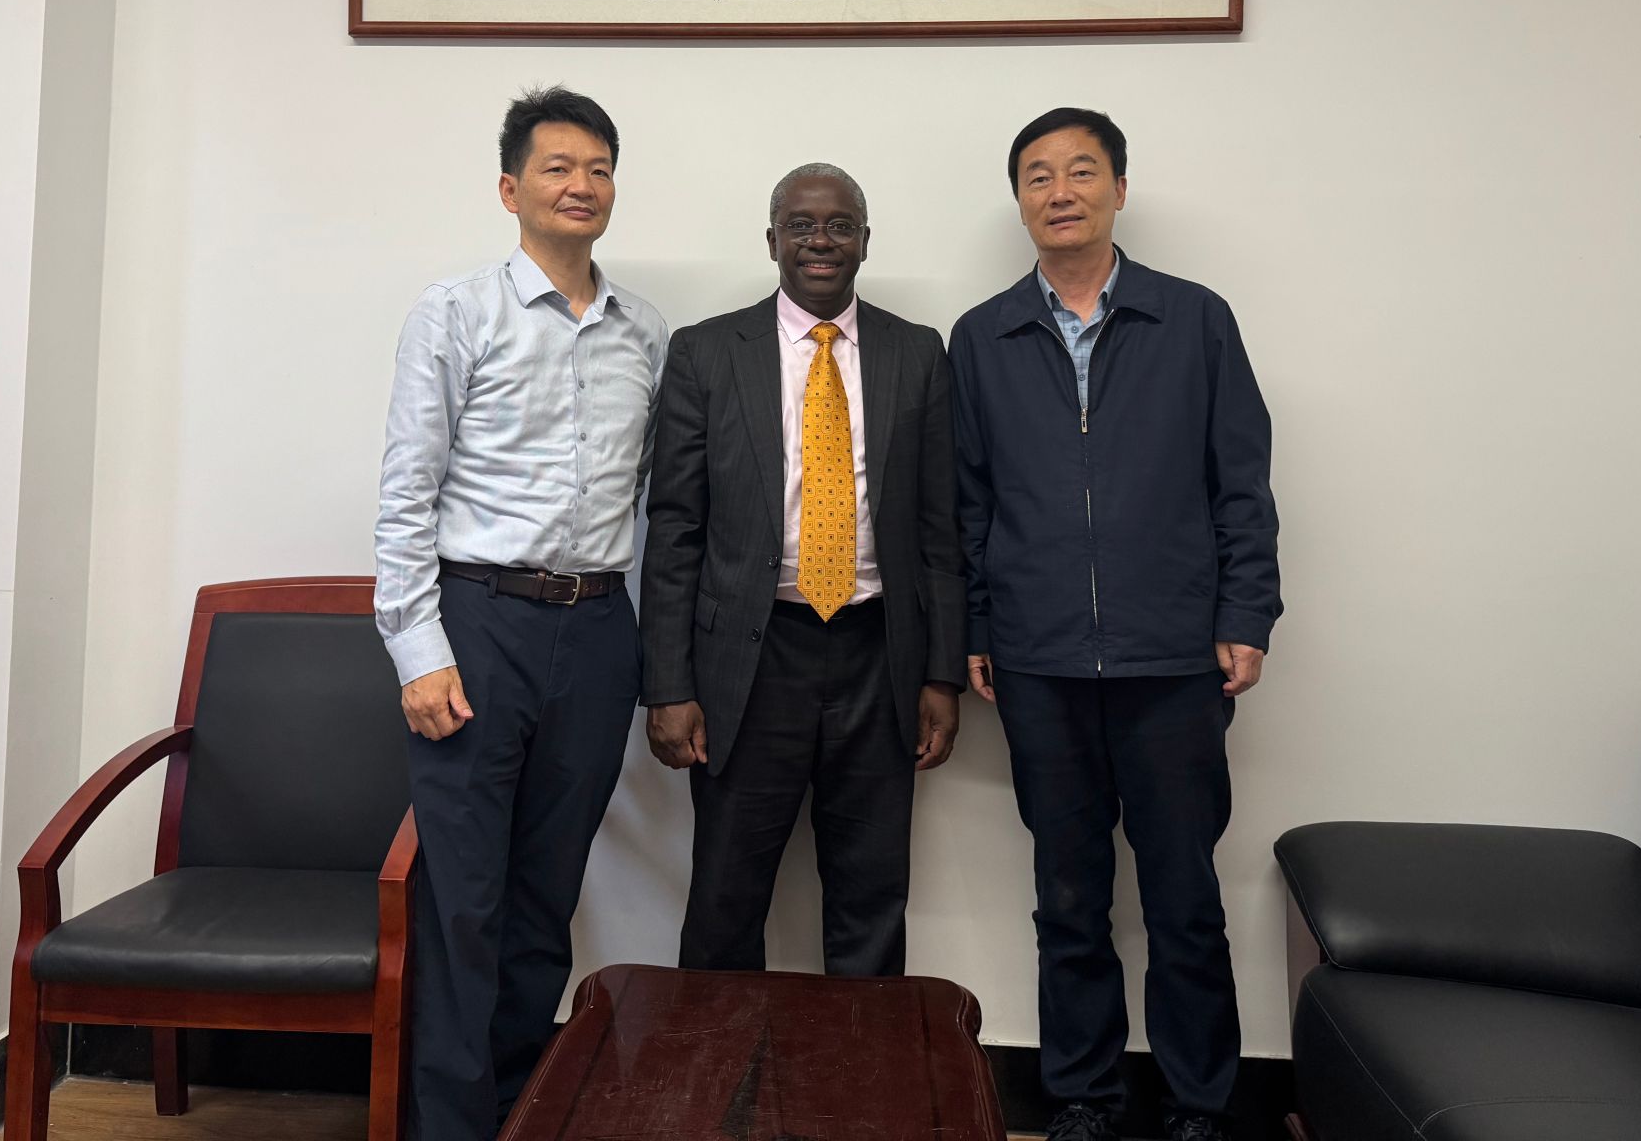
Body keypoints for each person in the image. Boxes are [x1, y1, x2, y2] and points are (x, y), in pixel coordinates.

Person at [951, 108, 1281, 1141]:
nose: (1060, 192)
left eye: (1082, 171)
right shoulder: (983, 336)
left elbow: (1241, 482)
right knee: (1067, 897)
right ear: (1019, 201)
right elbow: (967, 502)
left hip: (1174, 659)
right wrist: (977, 626)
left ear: (1119, 190)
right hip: (1038, 661)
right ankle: (1083, 1097)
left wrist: (1245, 612)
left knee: (1183, 897)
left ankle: (1198, 1104)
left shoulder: (1194, 320)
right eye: (1038, 176)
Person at [373, 86, 668, 1141]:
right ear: (510, 189)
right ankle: (448, 1126)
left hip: (596, 633)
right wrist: (417, 650)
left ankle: (514, 1108)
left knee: (547, 892)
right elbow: (407, 492)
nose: (580, 185)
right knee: (463, 901)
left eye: (598, 168)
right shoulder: (456, 312)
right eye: (557, 167)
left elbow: (647, 494)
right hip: (477, 624)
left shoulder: (646, 333)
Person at [641, 162, 966, 976]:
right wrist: (669, 685)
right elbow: (675, 529)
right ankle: (717, 1062)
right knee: (726, 895)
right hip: (748, 662)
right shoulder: (706, 353)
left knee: (871, 895)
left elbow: (939, 529)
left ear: (865, 241)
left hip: (877, 657)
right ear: (772, 240)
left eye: (839, 226)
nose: (821, 241)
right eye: (801, 225)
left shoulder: (917, 352)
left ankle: (860, 1062)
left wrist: (940, 674)